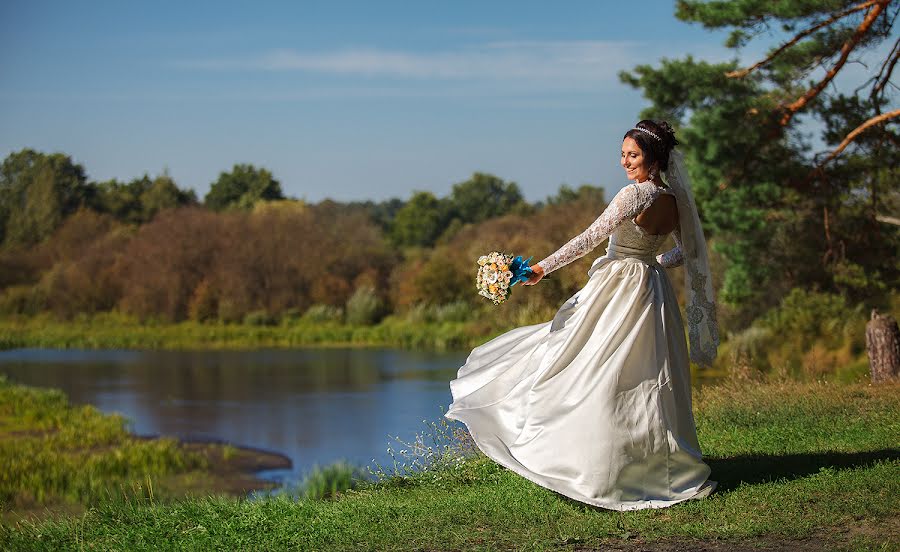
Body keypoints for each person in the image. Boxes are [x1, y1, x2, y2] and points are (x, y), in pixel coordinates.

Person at [444, 120, 720, 510]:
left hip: (619, 289)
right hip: (651, 289)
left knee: (584, 365)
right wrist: (651, 261)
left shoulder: (633, 196)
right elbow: (687, 254)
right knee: (647, 378)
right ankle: (660, 466)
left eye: (633, 154)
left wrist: (541, 268)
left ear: (653, 159)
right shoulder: (674, 201)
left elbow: (589, 238)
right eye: (623, 153)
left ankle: (586, 462)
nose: (625, 161)